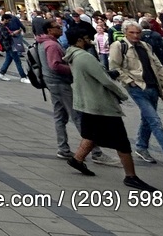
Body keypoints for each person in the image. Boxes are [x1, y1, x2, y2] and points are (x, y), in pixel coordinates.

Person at [63, 22, 156, 191]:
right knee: (121, 141)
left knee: (91, 134)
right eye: (87, 38)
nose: (90, 40)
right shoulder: (85, 57)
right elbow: (104, 80)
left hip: (87, 102)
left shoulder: (72, 54)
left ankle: (77, 159)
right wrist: (121, 94)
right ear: (79, 40)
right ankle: (131, 176)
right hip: (100, 104)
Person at [110, 22, 163, 176]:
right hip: (137, 88)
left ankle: (141, 146)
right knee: (155, 121)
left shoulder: (145, 46)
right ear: (125, 32)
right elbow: (115, 67)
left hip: (153, 87)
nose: (136, 35)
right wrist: (130, 81)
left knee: (147, 119)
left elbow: (158, 67)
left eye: (138, 32)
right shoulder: (119, 46)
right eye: (132, 32)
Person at [32, 20, 113, 164]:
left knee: (60, 116)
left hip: (52, 82)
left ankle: (63, 148)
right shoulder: (51, 45)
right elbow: (55, 65)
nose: (61, 29)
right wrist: (74, 69)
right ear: (50, 30)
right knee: (78, 116)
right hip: (60, 83)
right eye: (58, 27)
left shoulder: (43, 42)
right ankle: (96, 152)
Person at [0, 13, 30, 82]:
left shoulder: (2, 26)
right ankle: (23, 77)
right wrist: (14, 33)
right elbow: (6, 36)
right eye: (8, 20)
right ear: (4, 19)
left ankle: (1, 73)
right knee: (17, 61)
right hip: (9, 45)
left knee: (8, 60)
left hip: (8, 45)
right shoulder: (2, 26)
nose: (9, 22)